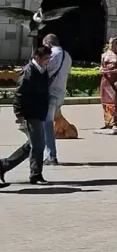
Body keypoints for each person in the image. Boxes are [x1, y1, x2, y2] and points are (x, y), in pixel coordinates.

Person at [0, 46, 52, 185]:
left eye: (49, 58)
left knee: (32, 144)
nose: (48, 61)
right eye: (46, 59)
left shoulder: (42, 70)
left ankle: (4, 165)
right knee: (38, 145)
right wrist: (19, 113)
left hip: (39, 112)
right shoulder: (29, 71)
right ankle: (36, 175)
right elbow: (20, 93)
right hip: (31, 113)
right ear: (37, 58)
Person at [42, 33, 72, 166]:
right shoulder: (67, 55)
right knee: (45, 124)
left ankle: (51, 155)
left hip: (51, 93)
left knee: (47, 125)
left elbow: (45, 71)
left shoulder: (53, 54)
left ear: (48, 44)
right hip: (61, 93)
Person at [99, 37, 117, 133]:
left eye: (113, 44)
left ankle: (115, 123)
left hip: (115, 79)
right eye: (110, 44)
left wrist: (114, 71)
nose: (111, 45)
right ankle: (107, 122)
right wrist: (101, 70)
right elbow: (101, 66)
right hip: (106, 80)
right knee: (105, 102)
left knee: (115, 102)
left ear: (116, 44)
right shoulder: (104, 55)